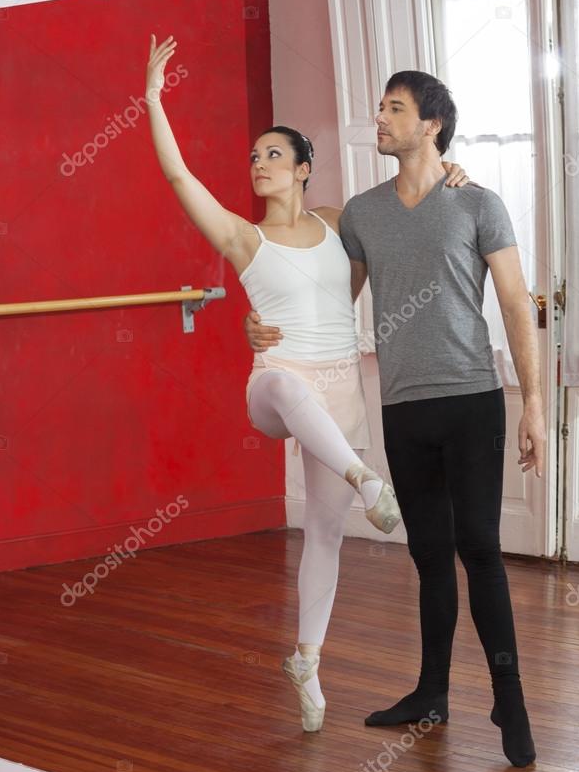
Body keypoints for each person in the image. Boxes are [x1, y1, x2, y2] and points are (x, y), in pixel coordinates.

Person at [145, 36, 470, 734]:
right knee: (290, 391)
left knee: (324, 534)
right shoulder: (243, 237)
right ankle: (369, 480)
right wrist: (152, 98)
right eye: (253, 156)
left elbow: (408, 209)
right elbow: (177, 177)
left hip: (341, 389)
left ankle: (306, 660)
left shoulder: (337, 222)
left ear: (303, 170)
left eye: (273, 155)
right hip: (275, 385)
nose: (258, 164)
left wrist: (453, 172)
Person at [244, 71, 546, 768]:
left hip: (471, 398)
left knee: (479, 547)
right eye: (379, 106)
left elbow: (514, 300)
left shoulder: (479, 202)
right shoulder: (362, 213)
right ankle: (431, 692)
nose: (379, 118)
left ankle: (510, 698)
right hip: (404, 406)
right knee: (428, 554)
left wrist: (532, 402)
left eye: (394, 109)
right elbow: (323, 299)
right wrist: (256, 329)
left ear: (431, 125)